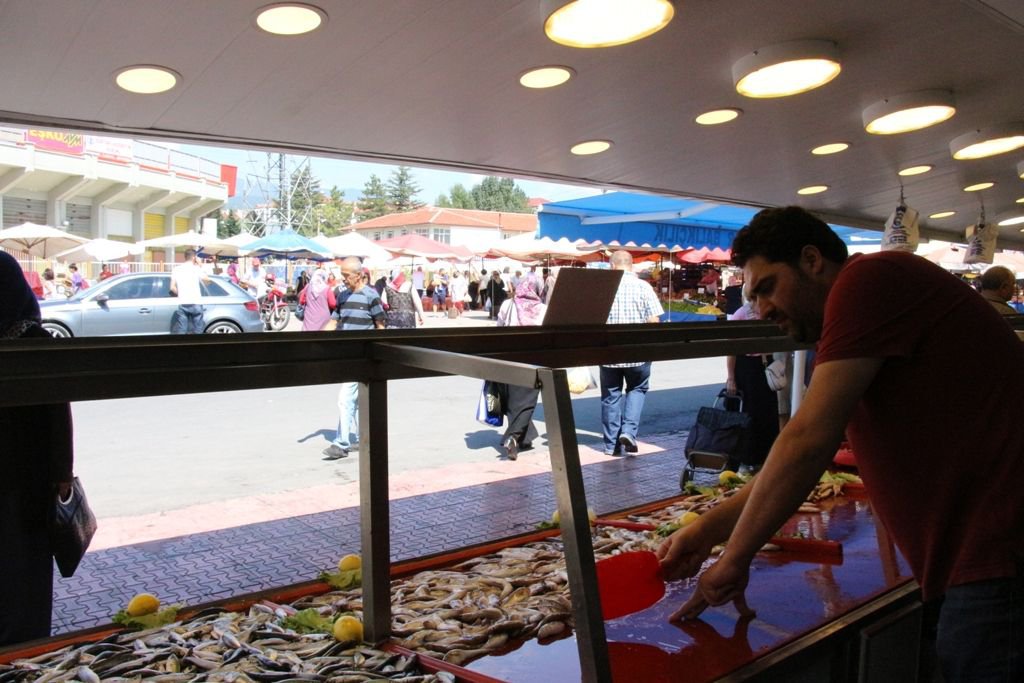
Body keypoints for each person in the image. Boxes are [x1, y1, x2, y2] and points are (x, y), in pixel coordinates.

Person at [656, 206, 1024, 682]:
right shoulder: (872, 308)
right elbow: (805, 456)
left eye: (767, 286)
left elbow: (806, 441)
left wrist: (733, 559)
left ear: (812, 260)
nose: (762, 309)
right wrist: (708, 531)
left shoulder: (868, 280)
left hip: (1001, 559)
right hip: (982, 560)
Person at [0, 251, 74, 646]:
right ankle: (23, 650)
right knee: (25, 569)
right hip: (27, 480)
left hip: (21, 480)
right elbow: (57, 416)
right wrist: (62, 475)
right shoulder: (32, 340)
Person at [600, 250, 664, 456]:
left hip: (608, 352)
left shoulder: (603, 288)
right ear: (631, 265)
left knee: (611, 396)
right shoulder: (644, 287)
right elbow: (654, 321)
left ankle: (611, 445)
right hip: (637, 352)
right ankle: (628, 431)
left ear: (611, 265)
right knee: (637, 390)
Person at [323, 257, 386, 460]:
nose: (344, 280)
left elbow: (380, 326)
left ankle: (341, 443)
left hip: (365, 356)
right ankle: (361, 438)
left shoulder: (371, 296)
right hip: (349, 356)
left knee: (345, 399)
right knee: (356, 400)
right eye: (342, 276)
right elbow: (334, 321)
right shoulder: (342, 296)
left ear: (358, 275)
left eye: (346, 276)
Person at [494, 276, 547, 460]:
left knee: (512, 400)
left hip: (508, 356)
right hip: (532, 358)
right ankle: (513, 438)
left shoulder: (507, 304)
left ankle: (525, 439)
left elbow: (499, 327)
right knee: (527, 402)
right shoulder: (543, 309)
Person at [725, 293, 779, 469]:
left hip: (764, 365)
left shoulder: (769, 312)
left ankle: (766, 457)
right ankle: (747, 458)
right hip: (747, 368)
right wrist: (731, 378)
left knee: (768, 414)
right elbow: (731, 350)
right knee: (749, 414)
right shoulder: (740, 315)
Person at [169, 248, 211, 334]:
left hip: (183, 302)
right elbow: (207, 281)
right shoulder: (196, 269)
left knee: (182, 330)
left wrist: (181, 294)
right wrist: (201, 266)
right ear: (194, 258)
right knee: (198, 330)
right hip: (196, 302)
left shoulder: (176, 269)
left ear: (185, 257)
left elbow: (172, 288)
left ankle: (183, 346)